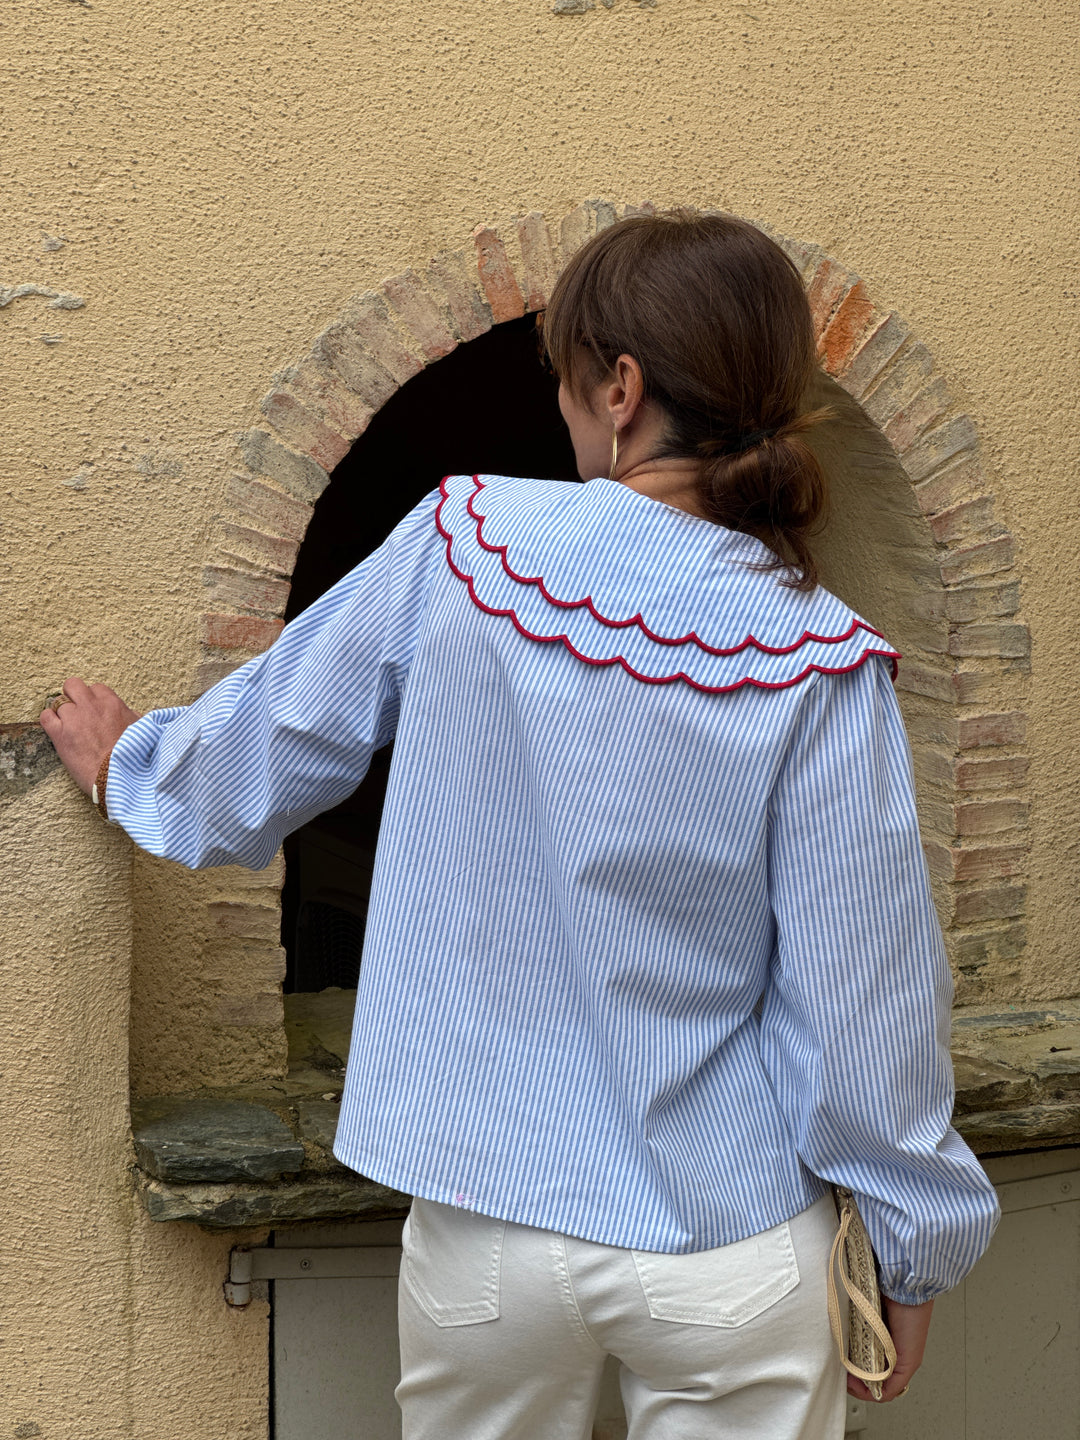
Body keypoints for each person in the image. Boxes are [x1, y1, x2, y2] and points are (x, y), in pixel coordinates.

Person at [42, 210, 1000, 1440]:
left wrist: (135, 762)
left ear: (620, 386)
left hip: (487, 1226)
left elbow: (260, 760)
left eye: (560, 376)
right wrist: (911, 1244)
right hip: (732, 1242)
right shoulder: (823, 658)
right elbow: (864, 992)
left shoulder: (465, 546)